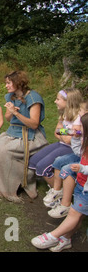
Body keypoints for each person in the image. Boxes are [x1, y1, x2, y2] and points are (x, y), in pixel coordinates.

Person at [31, 113, 88, 252]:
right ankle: (66, 239)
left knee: (75, 214)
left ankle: (52, 236)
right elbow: (60, 133)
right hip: (81, 184)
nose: (79, 131)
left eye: (82, 129)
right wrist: (75, 137)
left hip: (86, 188)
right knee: (78, 215)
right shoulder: (85, 143)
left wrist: (83, 169)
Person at [0, 71, 47, 203]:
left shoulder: (33, 98)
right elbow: (8, 118)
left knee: (5, 152)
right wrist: (10, 112)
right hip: (13, 132)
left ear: (18, 82)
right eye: (6, 83)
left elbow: (34, 124)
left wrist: (16, 113)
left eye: (8, 83)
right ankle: (2, 188)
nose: (6, 86)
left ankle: (14, 188)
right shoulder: (11, 96)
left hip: (29, 135)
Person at [29, 88, 82, 207]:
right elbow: (56, 133)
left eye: (58, 99)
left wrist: (62, 133)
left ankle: (60, 194)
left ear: (68, 102)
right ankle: (56, 186)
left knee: (42, 167)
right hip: (62, 144)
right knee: (33, 161)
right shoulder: (64, 115)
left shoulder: (78, 118)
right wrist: (65, 133)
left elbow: (68, 139)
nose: (55, 101)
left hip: (71, 149)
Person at [47, 100, 88, 218]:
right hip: (80, 155)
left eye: (80, 111)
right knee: (59, 160)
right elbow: (58, 132)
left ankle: (65, 204)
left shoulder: (83, 127)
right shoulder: (80, 129)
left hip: (82, 161)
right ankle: (57, 191)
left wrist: (73, 138)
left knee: (67, 168)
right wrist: (75, 137)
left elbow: (77, 149)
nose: (78, 113)